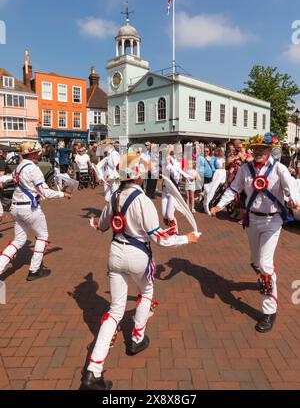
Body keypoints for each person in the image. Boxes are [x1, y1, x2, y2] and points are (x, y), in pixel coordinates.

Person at [82, 154, 200, 390]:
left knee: (115, 310)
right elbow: (159, 239)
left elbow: (104, 227)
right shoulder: (143, 200)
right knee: (146, 292)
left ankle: (93, 371)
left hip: (115, 253)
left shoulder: (114, 197)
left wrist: (95, 223)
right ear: (137, 174)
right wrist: (186, 238)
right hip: (138, 255)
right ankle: (136, 338)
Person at [211, 132, 300, 333]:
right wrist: (219, 205)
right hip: (251, 219)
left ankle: (269, 311)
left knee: (265, 265)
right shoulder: (245, 169)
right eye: (255, 148)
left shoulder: (279, 169)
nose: (258, 151)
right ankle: (265, 273)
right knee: (255, 261)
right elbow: (234, 189)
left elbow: (290, 189)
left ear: (269, 150)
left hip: (272, 220)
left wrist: (293, 200)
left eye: (262, 148)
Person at [0, 142, 71, 281]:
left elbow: (9, 178)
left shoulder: (19, 167)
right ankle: (34, 270)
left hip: (16, 207)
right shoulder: (34, 169)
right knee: (42, 236)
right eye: (37, 152)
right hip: (30, 208)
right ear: (32, 154)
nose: (39, 154)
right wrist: (63, 194)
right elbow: (46, 193)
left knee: (18, 240)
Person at [203, 147, 226, 215]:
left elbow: (224, 167)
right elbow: (213, 166)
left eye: (219, 152)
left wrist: (220, 169)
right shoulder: (214, 158)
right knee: (213, 187)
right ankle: (208, 203)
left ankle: (211, 205)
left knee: (216, 189)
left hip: (221, 173)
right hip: (216, 172)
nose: (218, 153)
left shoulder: (222, 159)